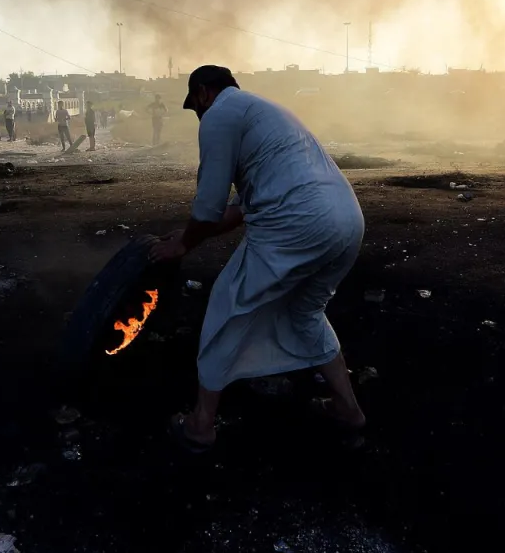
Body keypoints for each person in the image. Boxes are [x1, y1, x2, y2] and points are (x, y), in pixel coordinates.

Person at [151, 65, 366, 452]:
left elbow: (208, 206)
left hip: (299, 221)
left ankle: (200, 424)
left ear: (202, 93)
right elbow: (235, 212)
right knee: (306, 312)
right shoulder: (263, 111)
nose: (198, 115)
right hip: (347, 220)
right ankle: (347, 409)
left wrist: (183, 244)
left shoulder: (218, 115)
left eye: (195, 106)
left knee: (225, 306)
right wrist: (186, 235)